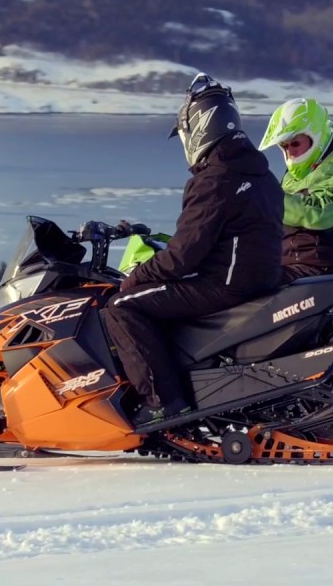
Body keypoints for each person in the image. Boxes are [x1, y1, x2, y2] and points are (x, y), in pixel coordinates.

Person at [102, 73, 284, 425]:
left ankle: (163, 402)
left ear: (198, 129)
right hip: (259, 279)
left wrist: (136, 276)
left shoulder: (216, 178)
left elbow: (184, 255)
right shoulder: (260, 173)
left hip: (226, 284)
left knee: (122, 307)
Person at [259, 97, 333, 281]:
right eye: (284, 146)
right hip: (299, 267)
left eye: (295, 143)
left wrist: (270, 199)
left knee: (248, 285)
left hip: (329, 270)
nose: (290, 152)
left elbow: (321, 212)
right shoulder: (299, 173)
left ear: (316, 136)